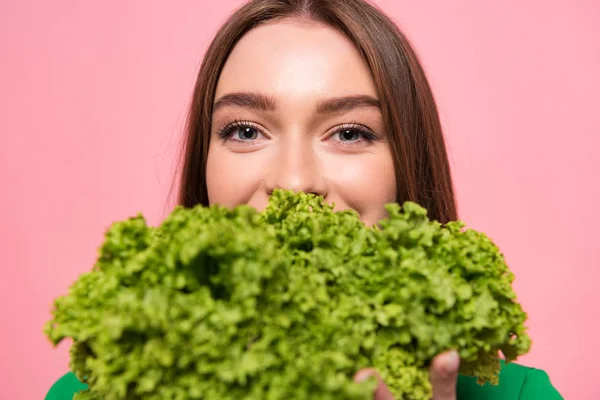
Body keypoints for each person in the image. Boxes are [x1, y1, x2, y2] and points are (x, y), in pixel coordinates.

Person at [46, 0, 563, 399]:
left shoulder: (518, 396)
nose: (293, 182)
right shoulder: (95, 389)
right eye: (246, 130)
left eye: (351, 132)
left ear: (408, 164)